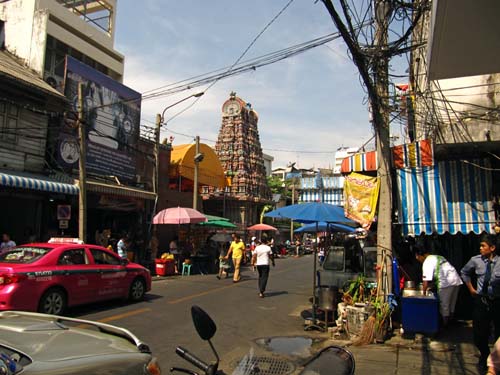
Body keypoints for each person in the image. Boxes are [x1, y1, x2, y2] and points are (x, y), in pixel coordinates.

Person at [461, 234, 500, 372]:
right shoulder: (475, 260)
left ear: (492, 248)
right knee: (479, 335)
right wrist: (471, 288)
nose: (480, 248)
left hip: (497, 302)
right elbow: (464, 272)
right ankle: (485, 355)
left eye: (483, 246)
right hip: (481, 301)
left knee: (498, 335)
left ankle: (495, 362)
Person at [415, 247, 463, 326]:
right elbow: (439, 272)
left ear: (421, 255)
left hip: (446, 284)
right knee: (451, 305)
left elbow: (425, 282)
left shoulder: (427, 262)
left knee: (444, 306)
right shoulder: (438, 257)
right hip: (456, 280)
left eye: (418, 258)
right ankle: (451, 323)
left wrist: (423, 295)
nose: (418, 260)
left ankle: (445, 325)